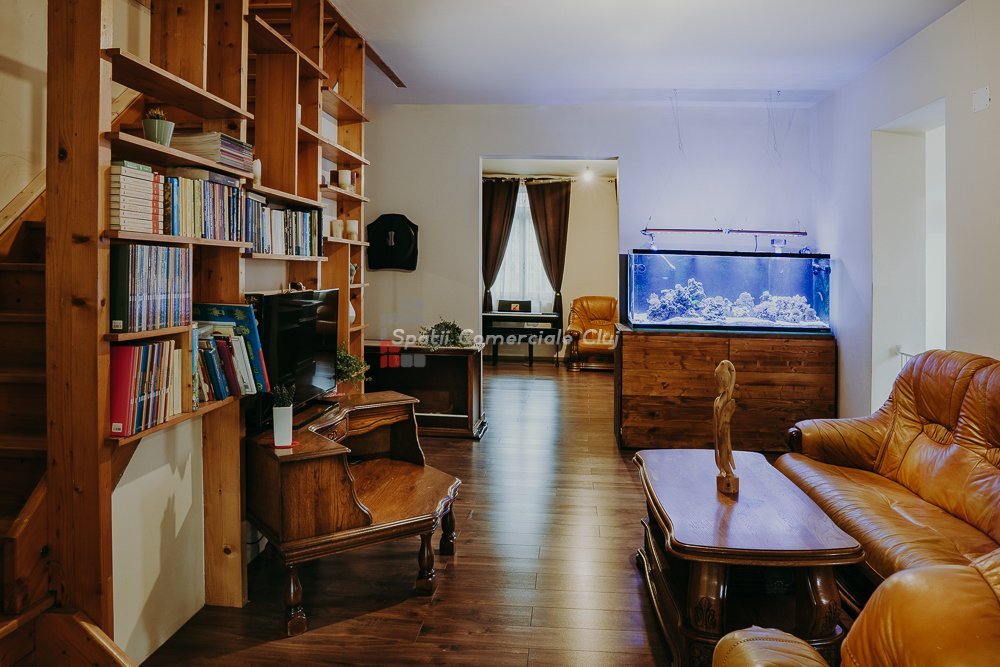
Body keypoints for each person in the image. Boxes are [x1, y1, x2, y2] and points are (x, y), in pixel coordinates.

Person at [714, 360, 737, 482]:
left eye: (721, 380)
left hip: (724, 434)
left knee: (724, 451)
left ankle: (728, 472)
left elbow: (724, 423)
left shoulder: (728, 401)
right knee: (721, 452)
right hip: (719, 437)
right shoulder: (717, 400)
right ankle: (724, 469)